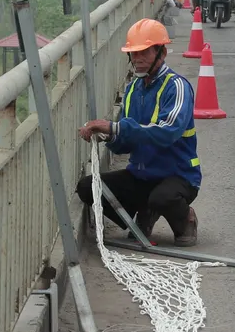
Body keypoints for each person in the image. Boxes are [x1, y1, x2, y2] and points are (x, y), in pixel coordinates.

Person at [77, 18, 201, 246]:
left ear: (161, 53)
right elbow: (126, 141)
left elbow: (168, 132)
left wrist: (115, 127)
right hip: (142, 175)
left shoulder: (177, 86)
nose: (138, 59)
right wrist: (107, 136)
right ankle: (144, 210)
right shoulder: (133, 88)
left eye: (144, 52)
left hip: (178, 175)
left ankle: (186, 219)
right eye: (134, 54)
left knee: (163, 198)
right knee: (87, 187)